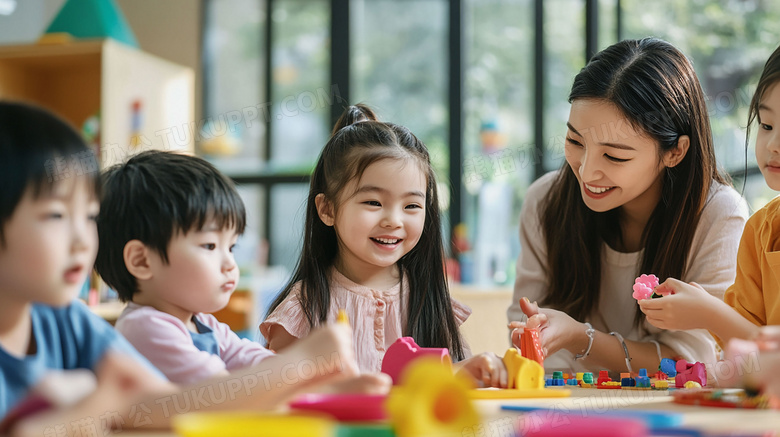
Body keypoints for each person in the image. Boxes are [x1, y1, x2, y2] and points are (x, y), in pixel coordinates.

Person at [0, 102, 373, 437]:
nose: (84, 239)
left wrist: (317, 381)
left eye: (89, 217)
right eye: (56, 215)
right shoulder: (143, 323)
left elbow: (152, 402)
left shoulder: (67, 321)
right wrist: (302, 364)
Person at [507, 38, 748, 375]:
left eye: (614, 155)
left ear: (674, 152)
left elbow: (695, 363)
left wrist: (581, 337)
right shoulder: (546, 201)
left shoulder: (718, 214)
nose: (587, 171)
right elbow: (528, 340)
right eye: (575, 141)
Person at [262, 105, 508, 388]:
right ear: (327, 208)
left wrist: (474, 371)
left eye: (412, 206)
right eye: (373, 203)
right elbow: (275, 395)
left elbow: (450, 386)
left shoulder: (429, 301)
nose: (394, 220)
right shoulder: (305, 306)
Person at [639, 44, 780, 345]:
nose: (773, 145)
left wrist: (710, 313)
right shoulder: (759, 232)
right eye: (766, 125)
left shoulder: (727, 211)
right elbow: (749, 355)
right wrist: (707, 311)